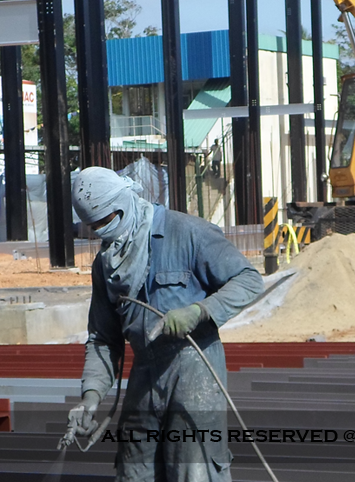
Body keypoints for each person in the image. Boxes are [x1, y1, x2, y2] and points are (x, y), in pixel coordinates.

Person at [68, 167, 264, 481]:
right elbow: (103, 339)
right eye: (94, 226)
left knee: (193, 467)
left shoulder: (188, 232)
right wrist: (90, 398)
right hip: (144, 373)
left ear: (125, 200)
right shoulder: (106, 263)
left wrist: (199, 311)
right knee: (135, 468)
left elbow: (249, 280)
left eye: (107, 220)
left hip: (194, 366)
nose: (103, 231)